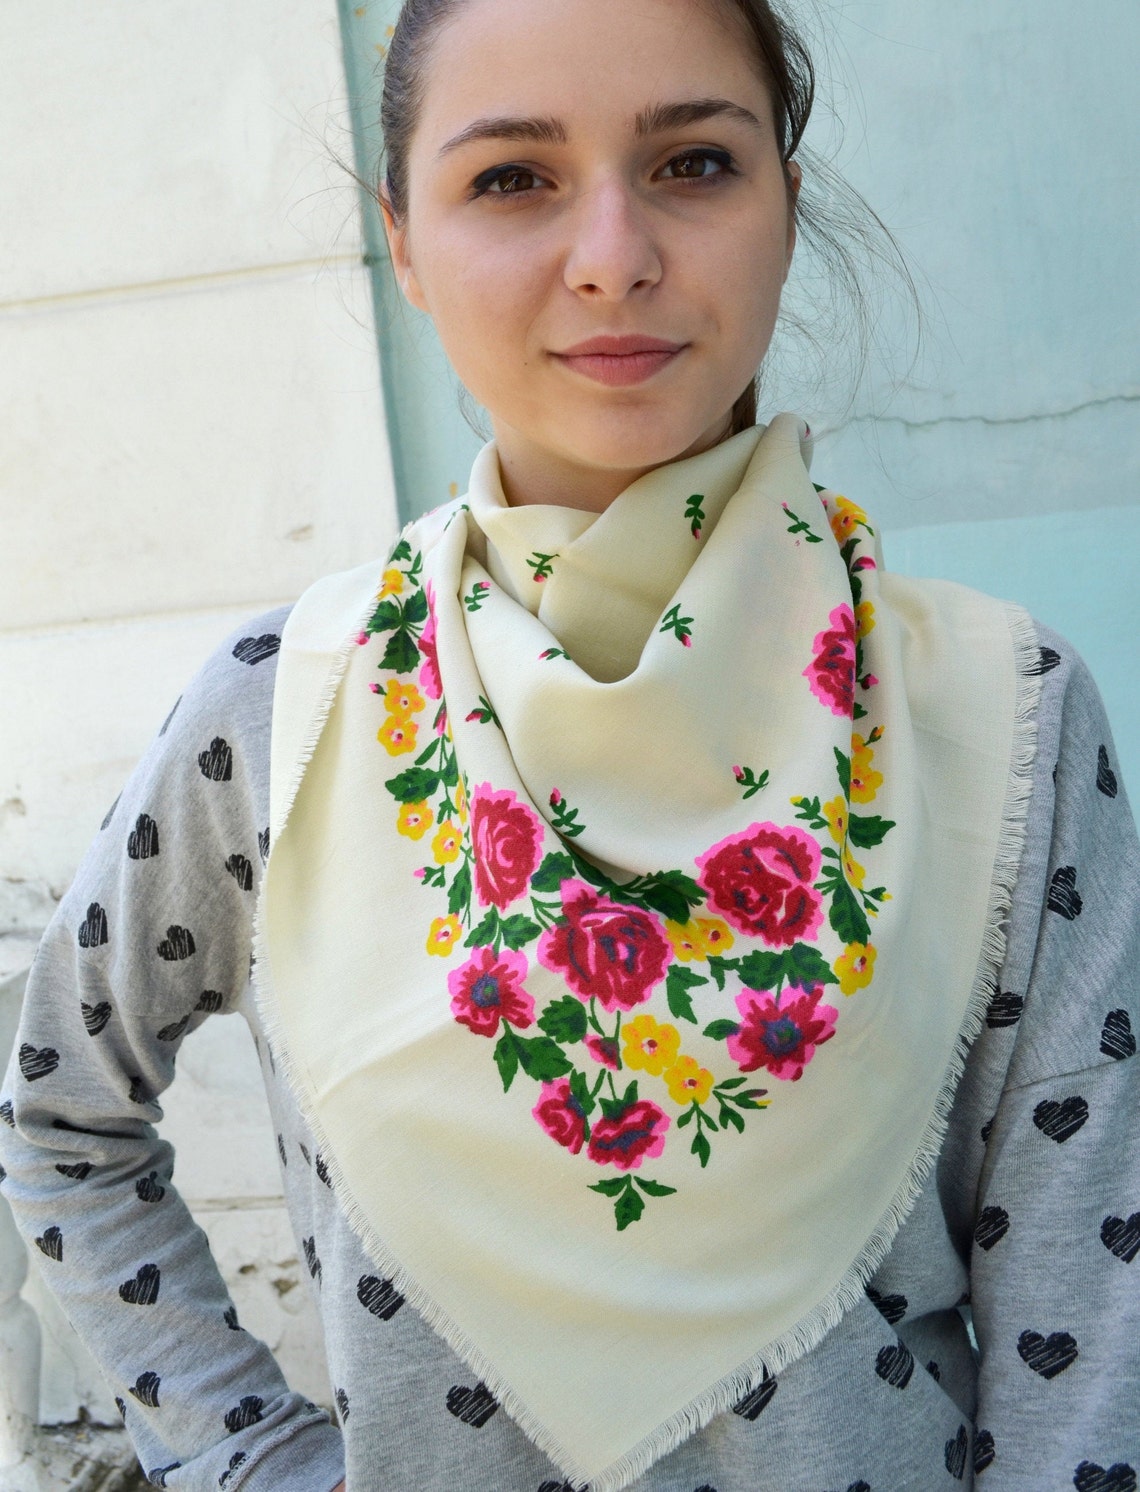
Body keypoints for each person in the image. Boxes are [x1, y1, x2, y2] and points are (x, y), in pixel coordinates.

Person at [2, 0, 1138, 1489]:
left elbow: (1090, 1330)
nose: (612, 253)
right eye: (513, 180)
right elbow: (54, 1110)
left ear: (787, 202)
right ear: (403, 240)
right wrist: (248, 1462)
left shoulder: (1003, 718)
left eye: (694, 162)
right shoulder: (289, 715)